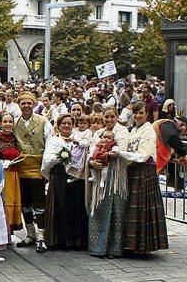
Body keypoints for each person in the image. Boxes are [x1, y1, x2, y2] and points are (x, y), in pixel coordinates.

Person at [120, 102, 168, 254]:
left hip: (144, 170)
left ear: (147, 114)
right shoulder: (133, 129)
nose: (138, 116)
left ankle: (142, 245)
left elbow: (143, 155)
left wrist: (122, 154)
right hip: (132, 169)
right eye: (135, 113)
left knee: (142, 206)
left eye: (141, 113)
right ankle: (132, 244)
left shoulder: (148, 130)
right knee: (133, 207)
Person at [41, 114, 89, 250]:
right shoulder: (54, 140)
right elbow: (48, 159)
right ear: (59, 125)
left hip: (76, 177)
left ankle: (76, 239)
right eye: (64, 123)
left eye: (69, 123)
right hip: (60, 175)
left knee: (76, 205)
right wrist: (62, 155)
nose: (66, 126)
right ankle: (61, 240)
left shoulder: (78, 140)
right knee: (61, 205)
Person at [89, 108, 130, 258]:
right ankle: (97, 247)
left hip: (116, 174)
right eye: (106, 117)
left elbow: (123, 149)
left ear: (117, 117)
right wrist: (92, 162)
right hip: (100, 175)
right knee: (99, 207)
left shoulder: (123, 131)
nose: (109, 119)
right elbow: (91, 151)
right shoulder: (97, 133)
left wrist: (109, 153)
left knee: (115, 209)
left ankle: (114, 248)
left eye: (112, 116)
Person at [13, 93, 51, 253]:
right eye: (23, 103)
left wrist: (46, 169)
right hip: (21, 167)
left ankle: (41, 236)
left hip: (37, 166)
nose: (26, 106)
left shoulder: (43, 121)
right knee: (25, 204)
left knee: (39, 204)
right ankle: (30, 234)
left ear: (34, 104)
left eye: (29, 103)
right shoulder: (15, 122)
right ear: (19, 105)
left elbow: (50, 144)